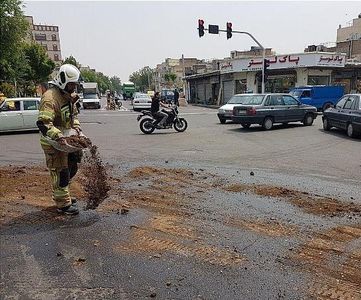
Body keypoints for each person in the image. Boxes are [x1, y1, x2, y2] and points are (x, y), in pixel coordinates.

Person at [37, 64, 83, 215]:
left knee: (72, 167)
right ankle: (63, 204)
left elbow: (73, 116)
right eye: (71, 84)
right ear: (63, 81)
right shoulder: (50, 98)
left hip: (65, 139)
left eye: (74, 85)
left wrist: (76, 128)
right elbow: (44, 123)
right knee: (60, 172)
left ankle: (65, 195)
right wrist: (59, 136)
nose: (73, 87)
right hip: (53, 142)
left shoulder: (67, 96)